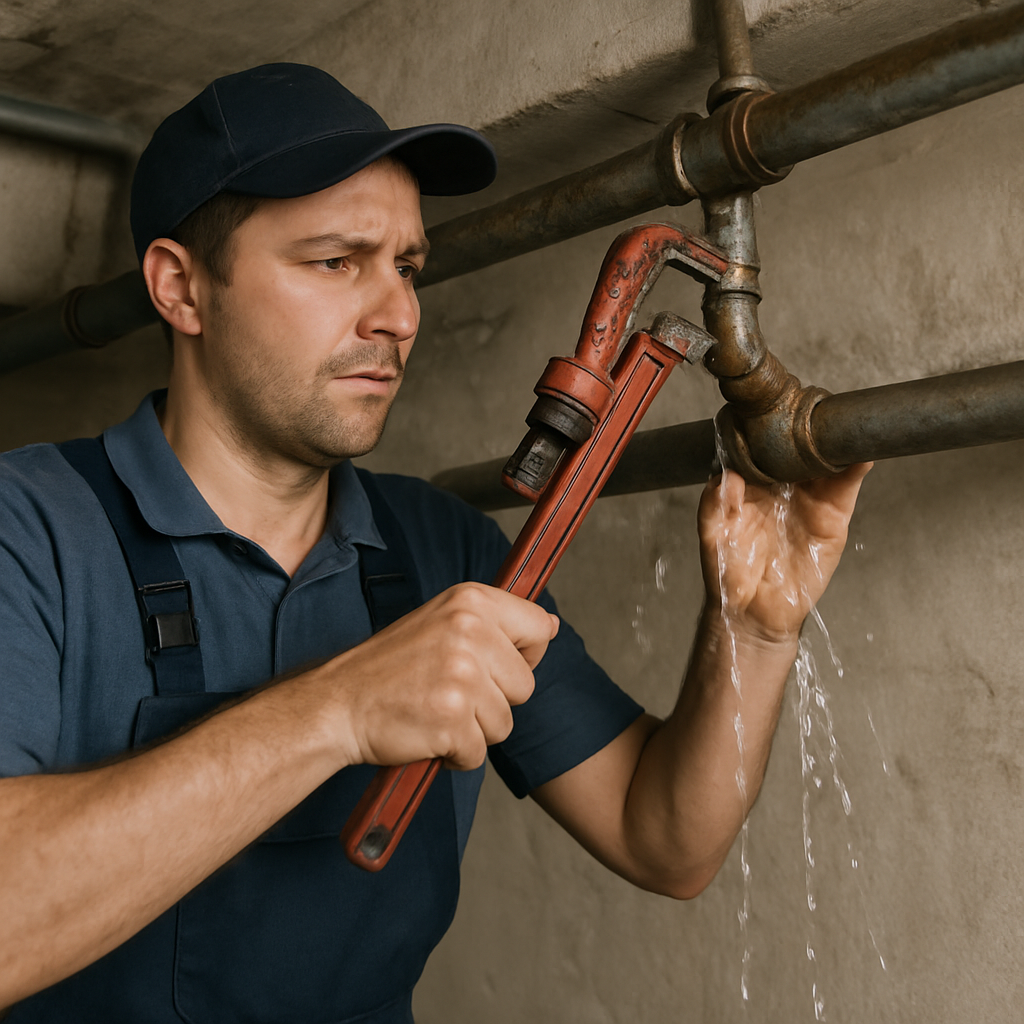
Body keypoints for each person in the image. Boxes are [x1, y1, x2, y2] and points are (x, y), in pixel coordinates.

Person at [0, 64, 870, 1021]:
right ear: (181, 288)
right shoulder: (30, 532)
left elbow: (663, 838)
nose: (400, 315)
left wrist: (751, 630)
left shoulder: (443, 550)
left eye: (406, 267)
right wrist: (336, 709)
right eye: (337, 262)